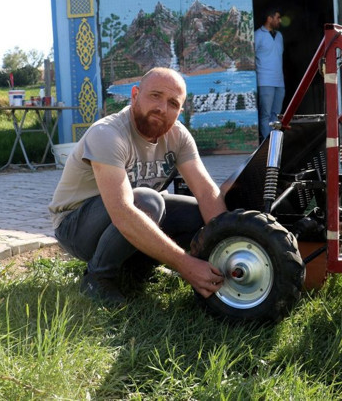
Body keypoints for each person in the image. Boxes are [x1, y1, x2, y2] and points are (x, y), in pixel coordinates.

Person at [49, 67, 227, 305]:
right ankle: (97, 277)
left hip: (128, 214)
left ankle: (136, 269)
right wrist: (186, 265)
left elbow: (206, 191)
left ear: (180, 111)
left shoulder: (178, 136)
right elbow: (122, 212)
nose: (162, 108)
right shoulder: (108, 133)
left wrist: (229, 242)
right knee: (148, 201)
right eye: (155, 96)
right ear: (134, 95)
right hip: (76, 225)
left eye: (173, 103)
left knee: (198, 216)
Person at [254, 7, 285, 142]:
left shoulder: (279, 36)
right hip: (265, 80)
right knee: (265, 114)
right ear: (269, 18)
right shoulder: (257, 35)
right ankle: (266, 144)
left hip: (279, 81)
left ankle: (274, 144)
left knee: (276, 115)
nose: (280, 20)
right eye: (277, 17)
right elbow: (251, 58)